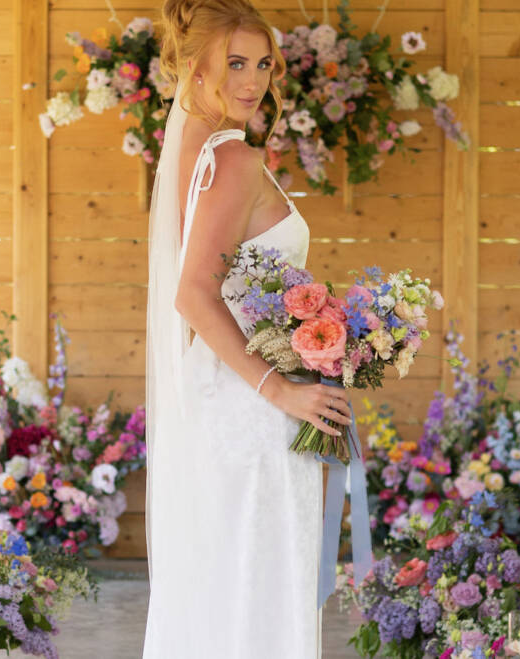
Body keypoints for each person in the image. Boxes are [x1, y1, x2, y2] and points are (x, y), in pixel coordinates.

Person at [143, 0, 351, 656]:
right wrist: (280, 388)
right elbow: (193, 292)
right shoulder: (233, 159)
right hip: (251, 408)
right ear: (196, 69)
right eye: (236, 62)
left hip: (222, 397)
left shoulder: (198, 154)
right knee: (260, 586)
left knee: (227, 585)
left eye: (263, 63)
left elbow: (226, 289)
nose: (254, 79)